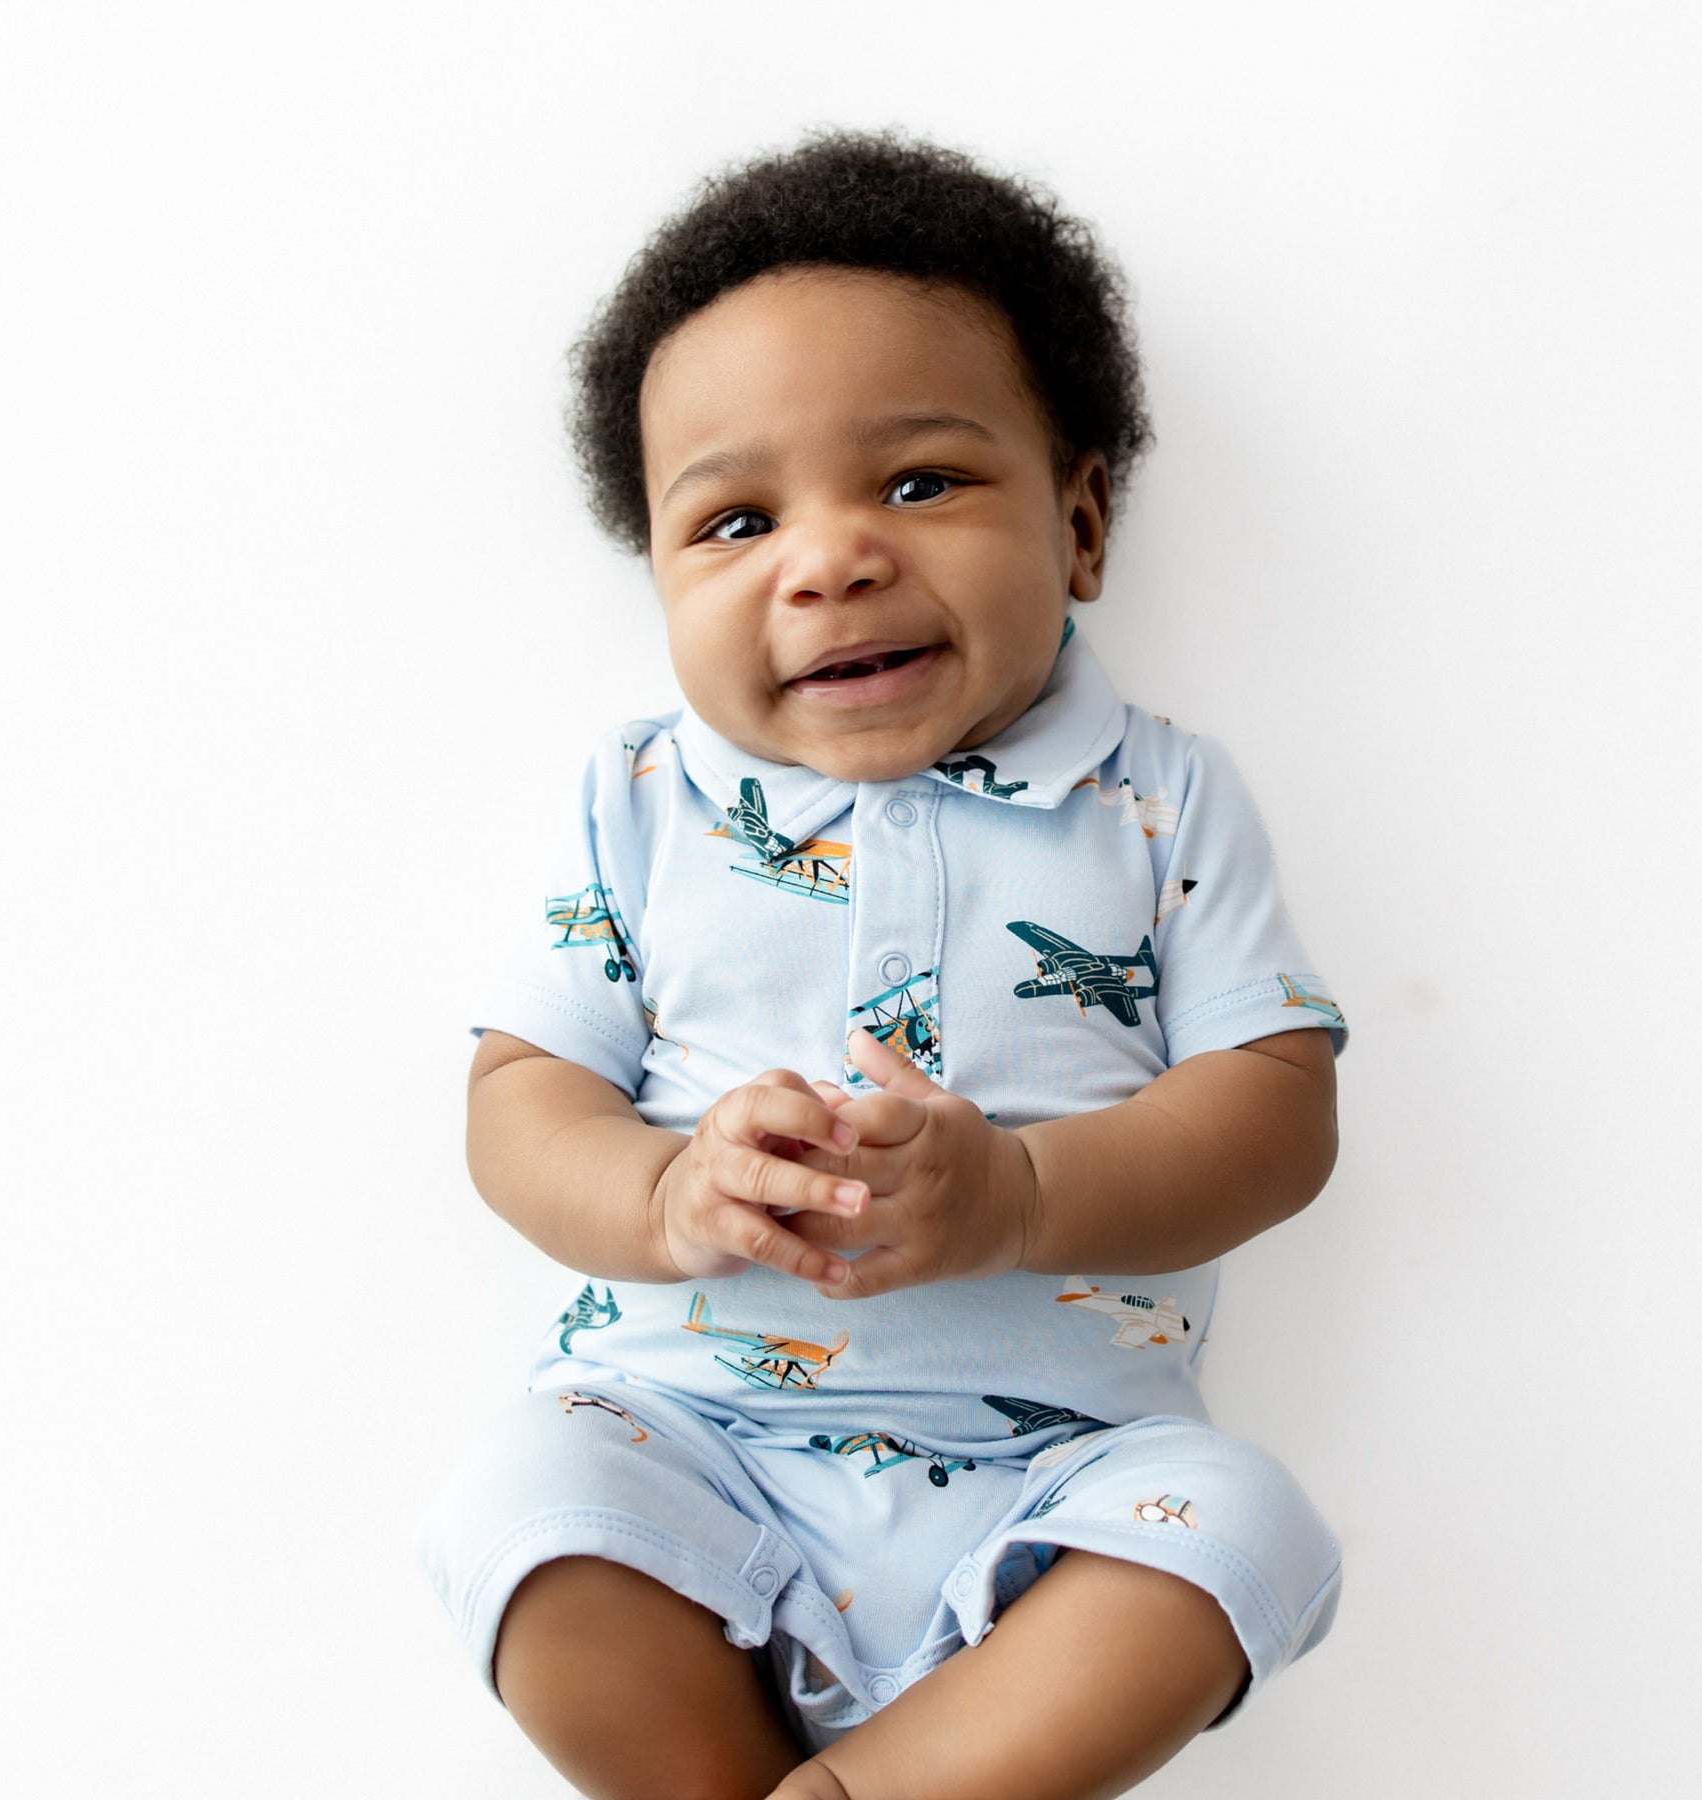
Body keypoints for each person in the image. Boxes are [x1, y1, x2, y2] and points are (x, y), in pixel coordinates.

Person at [417, 131, 1348, 1800]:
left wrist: (1024, 1199)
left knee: (1242, 1535)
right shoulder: (644, 798)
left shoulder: (1156, 798)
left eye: (919, 483)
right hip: (689, 1447)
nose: (830, 558)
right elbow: (517, 1100)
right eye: (735, 519)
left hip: (1062, 1490)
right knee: (524, 1507)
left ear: (1080, 523)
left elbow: (1276, 1112)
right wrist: (662, 1196)